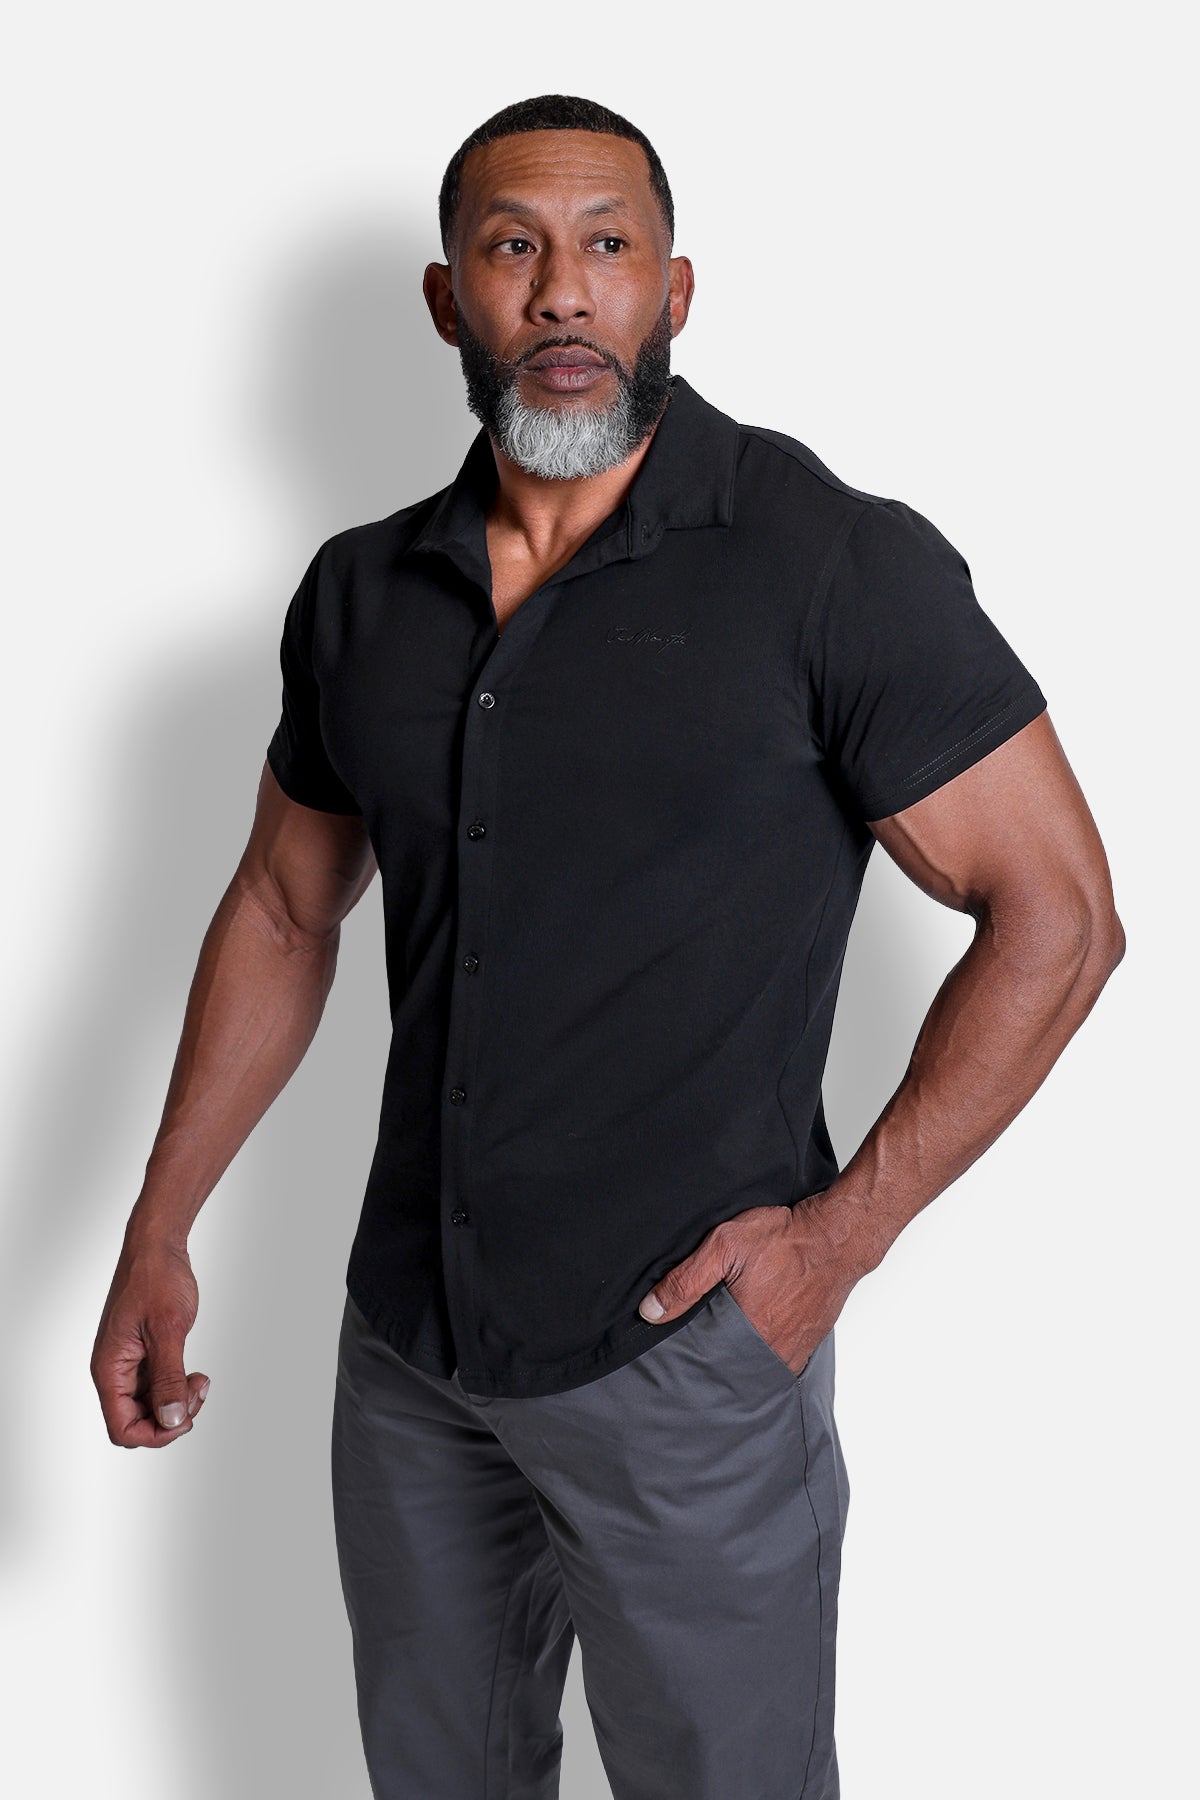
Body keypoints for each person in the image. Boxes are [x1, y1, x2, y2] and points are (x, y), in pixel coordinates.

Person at [91, 92, 1125, 1800]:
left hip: (687, 1359)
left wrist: (837, 1244)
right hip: (411, 1353)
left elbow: (1062, 916)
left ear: (675, 291)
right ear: (450, 300)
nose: (563, 290)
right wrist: (158, 1223)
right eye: (513, 247)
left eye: (608, 247)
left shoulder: (827, 562)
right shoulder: (360, 594)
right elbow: (284, 904)